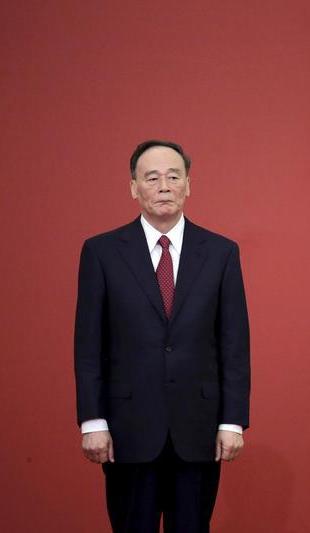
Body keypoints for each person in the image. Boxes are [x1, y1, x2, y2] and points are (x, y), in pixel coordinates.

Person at [74, 139, 251, 532]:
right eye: (151, 178)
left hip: (199, 429)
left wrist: (233, 421)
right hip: (127, 428)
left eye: (174, 176)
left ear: (189, 184)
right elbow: (88, 345)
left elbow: (234, 344)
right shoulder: (101, 252)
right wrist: (92, 421)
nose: (164, 186)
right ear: (134, 188)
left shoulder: (222, 253)